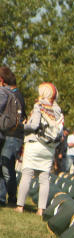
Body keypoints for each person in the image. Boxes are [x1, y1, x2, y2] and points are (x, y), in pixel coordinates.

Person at [15, 82, 63, 214]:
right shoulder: (57, 109)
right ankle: (41, 209)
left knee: (27, 174)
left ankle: (20, 206)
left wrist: (23, 126)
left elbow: (35, 125)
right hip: (49, 147)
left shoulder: (39, 106)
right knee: (44, 178)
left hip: (35, 143)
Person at [0, 65, 26, 206]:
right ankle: (3, 197)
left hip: (13, 135)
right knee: (3, 166)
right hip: (8, 134)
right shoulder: (14, 93)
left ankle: (12, 197)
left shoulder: (13, 94)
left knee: (7, 167)